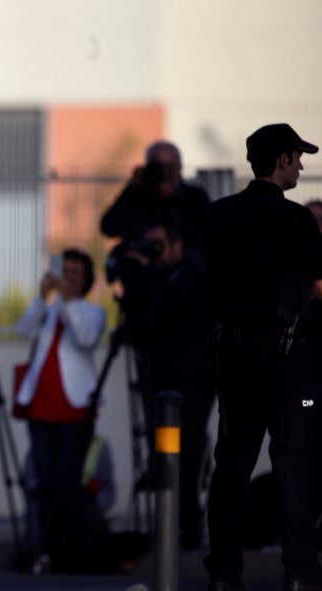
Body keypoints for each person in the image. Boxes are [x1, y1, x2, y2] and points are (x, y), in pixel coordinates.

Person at [204, 123, 322, 591]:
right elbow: (318, 286)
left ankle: (225, 574)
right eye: (297, 157)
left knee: (232, 466)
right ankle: (299, 574)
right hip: (288, 361)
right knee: (294, 465)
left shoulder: (217, 217)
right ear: (281, 160)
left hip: (231, 358)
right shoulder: (296, 221)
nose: (301, 165)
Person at [14, 248, 106, 574]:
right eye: (64, 271)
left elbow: (85, 338)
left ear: (87, 279)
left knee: (68, 482)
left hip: (75, 408)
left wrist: (65, 301)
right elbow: (22, 330)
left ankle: (64, 549)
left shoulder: (92, 312)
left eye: (75, 272)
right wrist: (42, 298)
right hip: (41, 406)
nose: (67, 277)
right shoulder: (51, 310)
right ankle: (42, 549)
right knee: (44, 481)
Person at [131, 221, 215, 548]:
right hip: (159, 380)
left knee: (187, 455)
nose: (154, 254)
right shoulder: (156, 277)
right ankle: (169, 527)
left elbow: (167, 307)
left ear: (177, 245)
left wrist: (149, 274)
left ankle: (189, 528)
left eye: (159, 246)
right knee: (162, 456)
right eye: (149, 246)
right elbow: (143, 324)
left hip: (191, 384)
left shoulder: (192, 275)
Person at [101, 140, 211, 261]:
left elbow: (204, 237)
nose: (165, 173)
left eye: (170, 167)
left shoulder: (194, 197)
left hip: (185, 272)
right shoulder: (137, 196)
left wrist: (170, 198)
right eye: (159, 167)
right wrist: (131, 189)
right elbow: (109, 228)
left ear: (179, 168)